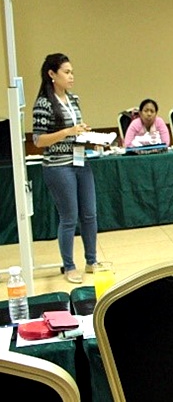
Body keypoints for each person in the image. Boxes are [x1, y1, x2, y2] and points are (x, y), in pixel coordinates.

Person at [32, 53, 99, 283]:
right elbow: (39, 140)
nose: (71, 77)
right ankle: (69, 266)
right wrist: (68, 132)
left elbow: (75, 131)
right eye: (66, 72)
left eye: (72, 72)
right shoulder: (43, 103)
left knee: (89, 214)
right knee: (69, 217)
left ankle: (92, 261)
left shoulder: (74, 99)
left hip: (80, 160)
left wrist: (87, 134)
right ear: (52, 74)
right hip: (58, 166)